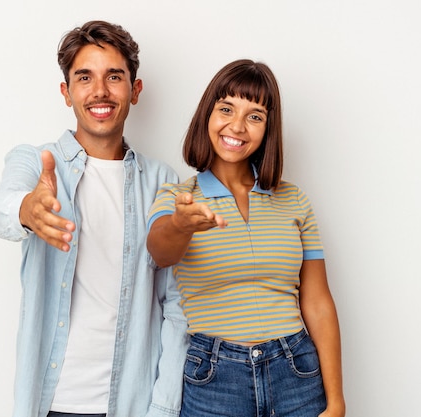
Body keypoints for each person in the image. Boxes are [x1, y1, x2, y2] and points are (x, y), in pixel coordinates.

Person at [0, 20, 188, 417]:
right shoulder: (36, 160)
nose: (100, 91)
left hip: (133, 403)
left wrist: (163, 407)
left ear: (135, 90)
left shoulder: (163, 181)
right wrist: (28, 210)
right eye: (85, 78)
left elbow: (177, 306)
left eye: (114, 76)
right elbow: (0, 209)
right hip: (51, 402)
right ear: (66, 92)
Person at [147, 59, 345, 417]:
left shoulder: (294, 199)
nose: (236, 126)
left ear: (268, 128)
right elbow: (161, 252)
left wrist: (336, 401)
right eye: (226, 109)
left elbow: (317, 302)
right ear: (207, 114)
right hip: (214, 379)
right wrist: (181, 224)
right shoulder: (178, 197)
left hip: (296, 371)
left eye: (254, 116)